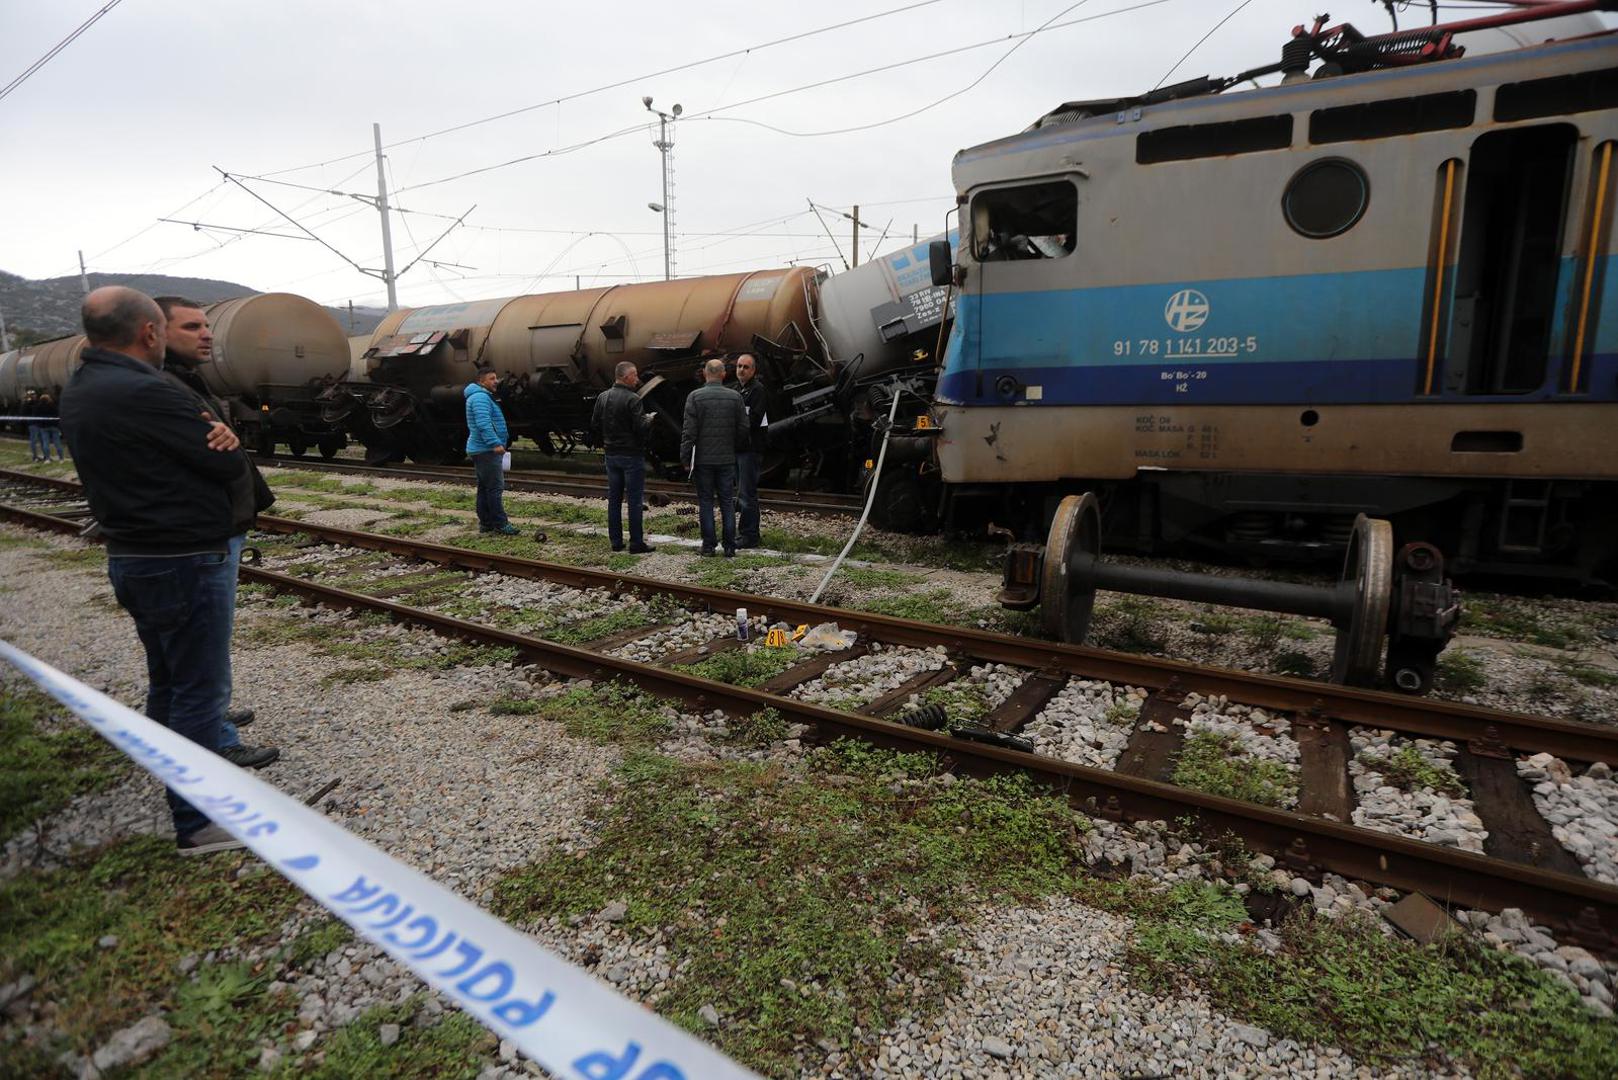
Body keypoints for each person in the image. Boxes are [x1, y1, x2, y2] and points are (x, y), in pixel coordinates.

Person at [59, 286, 270, 856]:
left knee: (169, 681)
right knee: (198, 691)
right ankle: (200, 821)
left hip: (138, 554)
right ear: (150, 332)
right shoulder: (147, 389)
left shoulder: (85, 385)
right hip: (183, 557)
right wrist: (223, 443)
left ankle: (176, 784)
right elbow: (227, 461)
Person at [152, 296, 278, 769]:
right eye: (191, 327)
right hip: (204, 536)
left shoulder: (184, 379)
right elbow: (212, 454)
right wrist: (227, 446)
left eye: (206, 325)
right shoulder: (164, 387)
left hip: (215, 529)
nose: (206, 334)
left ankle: (208, 718)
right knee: (203, 644)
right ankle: (215, 737)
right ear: (154, 333)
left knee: (196, 647)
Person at [679, 358, 747, 557]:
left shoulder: (695, 397)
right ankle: (729, 547)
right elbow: (743, 428)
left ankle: (708, 546)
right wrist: (735, 448)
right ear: (724, 374)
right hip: (726, 459)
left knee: (706, 502)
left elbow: (689, 431)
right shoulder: (735, 397)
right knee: (727, 501)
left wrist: (685, 458)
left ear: (705, 373)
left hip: (702, 460)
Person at [591, 361, 655, 554]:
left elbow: (594, 424)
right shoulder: (633, 399)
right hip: (631, 456)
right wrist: (649, 419)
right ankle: (636, 543)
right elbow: (640, 427)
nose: (637, 378)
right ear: (626, 377)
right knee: (634, 500)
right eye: (634, 375)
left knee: (614, 499)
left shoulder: (602, 397)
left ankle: (616, 541)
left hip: (611, 455)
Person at [464, 366, 518, 535]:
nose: (496, 381)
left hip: (481, 449)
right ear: (481, 381)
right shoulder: (480, 397)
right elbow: (483, 423)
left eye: (496, 378)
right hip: (486, 449)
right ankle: (500, 524)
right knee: (495, 487)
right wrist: (495, 443)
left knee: (485, 487)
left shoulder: (480, 396)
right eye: (492, 378)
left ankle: (486, 523)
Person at [732, 353, 766, 549]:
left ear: (753, 370)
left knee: (747, 493)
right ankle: (746, 532)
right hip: (739, 448)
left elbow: (753, 419)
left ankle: (750, 535)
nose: (741, 370)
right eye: (739, 366)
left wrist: (734, 420)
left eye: (745, 367)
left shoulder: (757, 390)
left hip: (750, 449)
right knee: (743, 492)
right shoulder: (739, 389)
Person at [35, 391, 66, 461]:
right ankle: (61, 458)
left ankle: (48, 459)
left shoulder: (38, 407)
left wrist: (39, 425)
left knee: (46, 443)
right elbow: (58, 414)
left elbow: (37, 416)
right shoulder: (53, 406)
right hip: (54, 426)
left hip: (44, 427)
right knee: (57, 443)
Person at [24, 391, 45, 461]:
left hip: (39, 424)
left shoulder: (38, 402)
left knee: (42, 440)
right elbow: (24, 413)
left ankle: (45, 456)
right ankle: (35, 456)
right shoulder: (27, 404)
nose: (33, 396)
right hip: (33, 424)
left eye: (34, 394)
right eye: (31, 395)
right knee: (34, 440)